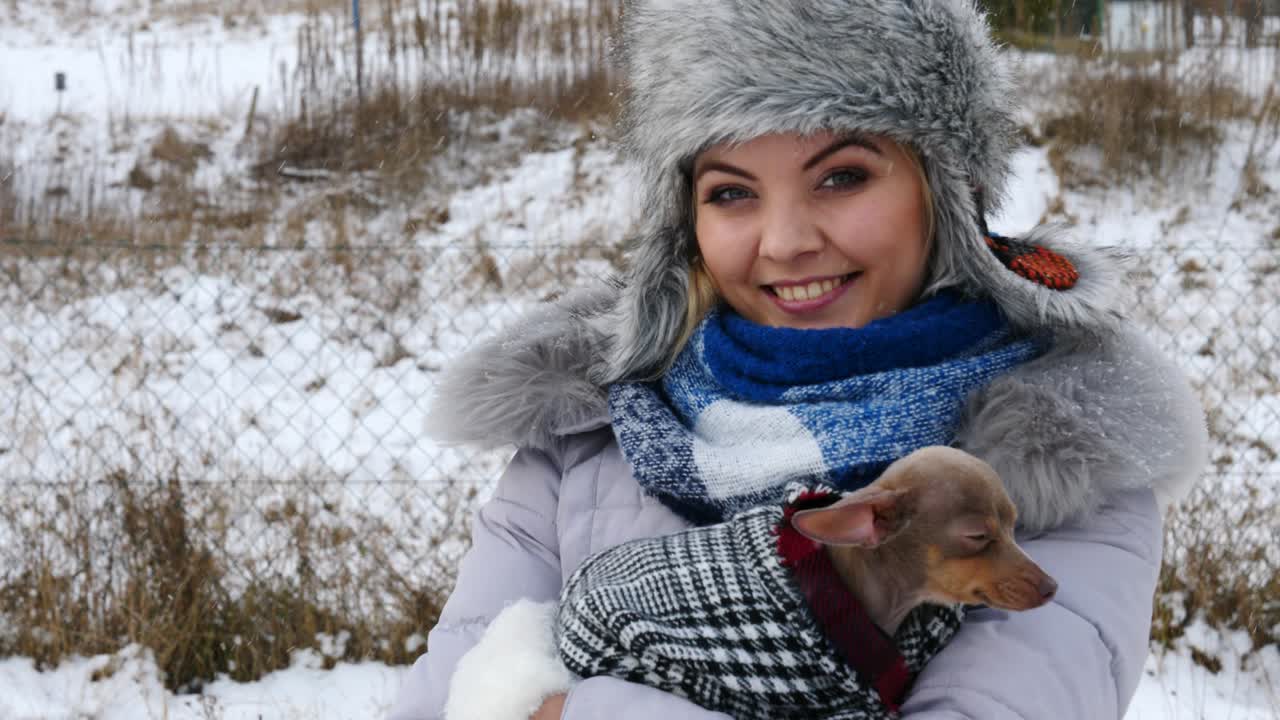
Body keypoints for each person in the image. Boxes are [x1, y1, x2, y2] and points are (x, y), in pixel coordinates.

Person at [388, 1, 1208, 718]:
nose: (784, 242)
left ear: (945, 195)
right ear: (687, 223)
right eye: (732, 192)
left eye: (842, 175)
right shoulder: (595, 430)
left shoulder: (1052, 450)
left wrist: (573, 711)